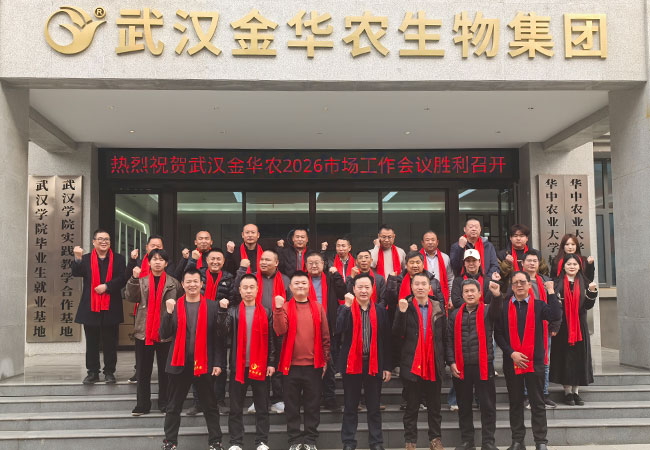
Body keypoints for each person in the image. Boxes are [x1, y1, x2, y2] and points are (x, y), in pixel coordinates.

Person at [494, 271, 562, 450]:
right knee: (515, 403)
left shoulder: (539, 306)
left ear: (529, 285)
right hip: (512, 362)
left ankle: (541, 441)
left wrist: (551, 292)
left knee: (537, 403)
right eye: (515, 282)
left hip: (535, 362)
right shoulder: (504, 307)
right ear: (511, 286)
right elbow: (498, 334)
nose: (519, 285)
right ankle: (518, 441)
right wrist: (511, 353)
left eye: (522, 282)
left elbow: (555, 315)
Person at [160, 268, 226, 450]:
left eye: (196, 281)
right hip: (179, 364)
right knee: (173, 406)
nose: (192, 285)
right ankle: (170, 442)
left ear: (201, 284)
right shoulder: (175, 306)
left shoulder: (213, 307)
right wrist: (168, 312)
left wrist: (218, 363)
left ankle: (215, 442)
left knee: (210, 406)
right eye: (188, 281)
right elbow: (163, 334)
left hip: (204, 364)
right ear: (182, 284)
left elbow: (219, 338)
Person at [217, 274, 276, 450]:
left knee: (262, 407)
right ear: (240, 290)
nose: (248, 291)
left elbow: (271, 340)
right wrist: (222, 311)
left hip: (261, 366)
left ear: (257, 290)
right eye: (245, 287)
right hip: (239, 367)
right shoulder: (233, 311)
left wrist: (271, 362)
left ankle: (262, 442)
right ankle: (236, 442)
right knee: (235, 408)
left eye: (252, 287)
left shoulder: (267, 312)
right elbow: (222, 333)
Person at [274, 271, 331, 450]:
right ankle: (295, 441)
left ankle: (310, 440)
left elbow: (325, 337)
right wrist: (277, 309)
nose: (300, 286)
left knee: (312, 405)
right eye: (296, 283)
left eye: (304, 283)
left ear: (309, 286)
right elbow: (280, 330)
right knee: (292, 406)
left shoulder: (318, 307)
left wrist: (325, 360)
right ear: (290, 287)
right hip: (290, 366)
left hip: (313, 366)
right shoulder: (284, 307)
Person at [336, 274, 392, 450]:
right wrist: (346, 307)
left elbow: (387, 340)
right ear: (353, 289)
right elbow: (338, 329)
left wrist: (387, 366)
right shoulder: (345, 308)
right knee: (350, 406)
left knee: (374, 407)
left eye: (367, 287)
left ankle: (376, 442)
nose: (363, 290)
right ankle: (348, 442)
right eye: (359, 287)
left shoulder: (380, 311)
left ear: (373, 289)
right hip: (352, 363)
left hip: (373, 364)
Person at [393, 272, 447, 450]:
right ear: (411, 287)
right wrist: (401, 313)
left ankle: (435, 439)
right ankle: (410, 441)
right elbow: (396, 335)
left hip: (433, 365)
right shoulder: (405, 306)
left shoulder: (438, 307)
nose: (420, 287)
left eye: (424, 284)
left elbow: (444, 337)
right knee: (411, 407)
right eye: (416, 284)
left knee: (435, 407)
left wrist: (448, 361)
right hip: (412, 365)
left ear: (430, 287)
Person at [125, 249, 182, 415]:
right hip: (144, 332)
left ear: (166, 263)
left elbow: (180, 305)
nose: (157, 262)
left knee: (165, 372)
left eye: (161, 259)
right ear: (149, 262)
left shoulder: (174, 283)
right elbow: (130, 297)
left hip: (165, 332)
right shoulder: (141, 281)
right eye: (154, 259)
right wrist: (133, 279)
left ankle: (164, 403)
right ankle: (142, 405)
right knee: (143, 371)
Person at [234, 249, 290, 414]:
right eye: (262, 259)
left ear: (276, 263)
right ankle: (257, 399)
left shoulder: (285, 280)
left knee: (276, 364)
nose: (263, 262)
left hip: (277, 326)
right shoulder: (252, 278)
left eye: (267, 260)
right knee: (256, 361)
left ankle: (277, 398)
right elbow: (237, 293)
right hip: (256, 326)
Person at [72, 229, 127, 384]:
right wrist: (77, 258)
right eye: (101, 239)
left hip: (111, 306)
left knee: (110, 342)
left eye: (107, 239)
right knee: (92, 342)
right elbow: (76, 273)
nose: (104, 242)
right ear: (93, 241)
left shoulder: (118, 259)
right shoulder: (86, 259)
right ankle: (92, 372)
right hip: (91, 306)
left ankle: (109, 372)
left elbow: (123, 278)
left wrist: (107, 286)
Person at [186, 248, 236, 416]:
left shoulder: (228, 278)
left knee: (219, 362)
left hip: (219, 322)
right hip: (198, 321)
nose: (215, 262)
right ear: (206, 260)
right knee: (197, 362)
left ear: (223, 261)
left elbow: (233, 300)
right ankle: (198, 402)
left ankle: (219, 401)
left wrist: (224, 314)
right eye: (212, 259)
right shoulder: (199, 275)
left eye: (219, 259)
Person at [549, 254, 599, 406]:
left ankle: (576, 392)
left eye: (575, 264)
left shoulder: (585, 282)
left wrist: (592, 292)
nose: (572, 266)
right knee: (565, 357)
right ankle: (567, 392)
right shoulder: (557, 283)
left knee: (578, 357)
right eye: (569, 264)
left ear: (579, 267)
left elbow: (588, 306)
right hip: (563, 325)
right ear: (563, 266)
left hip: (579, 325)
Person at [305, 251, 348, 412]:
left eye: (317, 262)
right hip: (306, 327)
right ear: (306, 265)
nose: (314, 265)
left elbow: (342, 292)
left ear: (323, 265)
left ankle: (330, 398)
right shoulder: (302, 280)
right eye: (310, 263)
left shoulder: (330, 279)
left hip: (328, 327)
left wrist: (336, 275)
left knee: (329, 364)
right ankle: (312, 399)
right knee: (309, 366)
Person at [126, 235, 169, 383]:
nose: (156, 248)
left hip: (163, 320)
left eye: (159, 246)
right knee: (143, 363)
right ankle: (138, 373)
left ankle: (164, 397)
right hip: (144, 315)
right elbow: (130, 291)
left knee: (164, 366)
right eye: (153, 245)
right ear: (147, 248)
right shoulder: (138, 263)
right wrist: (132, 264)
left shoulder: (171, 280)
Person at [520, 251, 559, 409]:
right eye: (529, 260)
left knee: (544, 362)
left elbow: (555, 304)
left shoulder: (546, 281)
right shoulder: (518, 280)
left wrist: (555, 325)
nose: (531, 263)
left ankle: (544, 393)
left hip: (543, 328)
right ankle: (526, 395)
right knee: (525, 361)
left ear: (539, 263)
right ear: (522, 263)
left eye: (534, 261)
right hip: (523, 328)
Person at [410, 230, 454, 306]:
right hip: (421, 297)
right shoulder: (417, 258)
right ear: (422, 243)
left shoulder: (445, 257)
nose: (430, 242)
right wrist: (412, 254)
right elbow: (410, 276)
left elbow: (450, 279)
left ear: (437, 242)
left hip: (441, 297)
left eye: (433, 240)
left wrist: (450, 299)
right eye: (427, 240)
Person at [498, 224, 547, 289]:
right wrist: (507, 263)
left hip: (533, 288)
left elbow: (544, 272)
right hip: (510, 289)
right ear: (510, 238)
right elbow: (499, 275)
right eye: (515, 236)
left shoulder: (536, 254)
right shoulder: (502, 254)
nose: (518, 238)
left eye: (521, 236)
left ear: (527, 238)